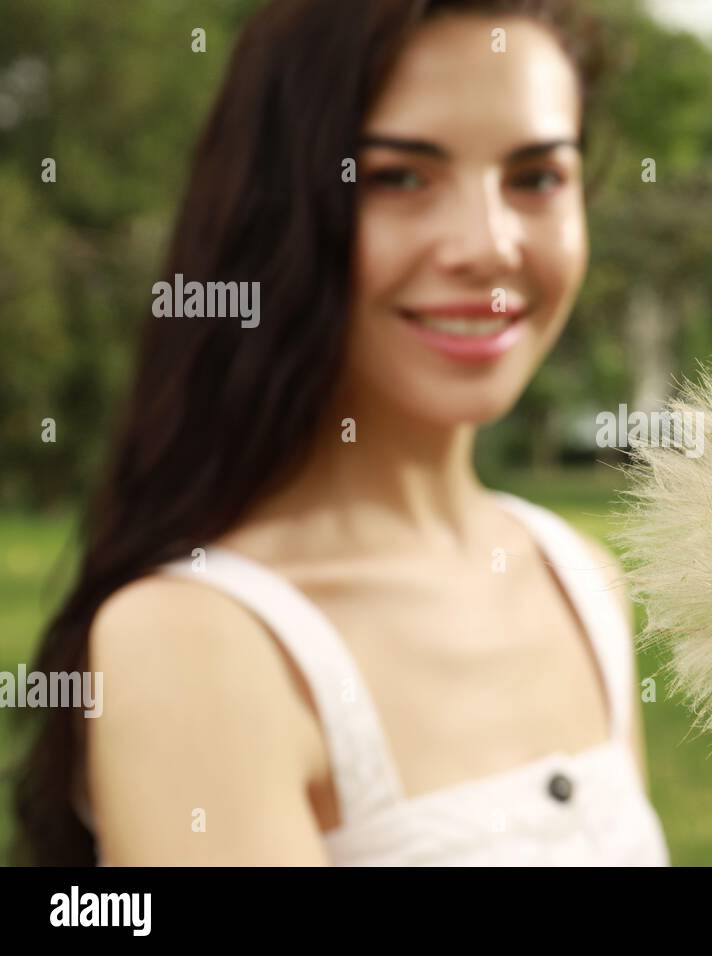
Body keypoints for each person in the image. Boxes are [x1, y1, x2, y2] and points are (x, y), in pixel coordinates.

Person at [13, 0, 670, 866]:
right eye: (399, 176)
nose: (487, 245)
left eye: (536, 177)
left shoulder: (581, 581)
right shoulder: (195, 642)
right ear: (277, 208)